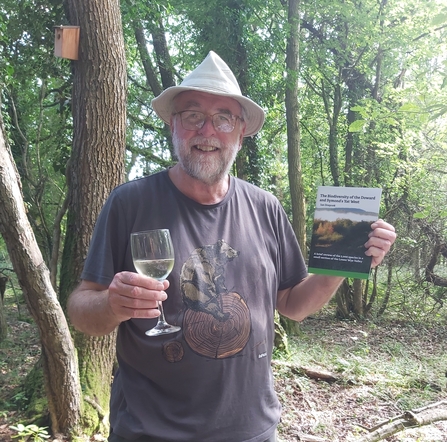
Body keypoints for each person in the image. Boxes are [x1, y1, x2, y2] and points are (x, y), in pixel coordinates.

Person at [67, 51, 396, 442]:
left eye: (224, 118)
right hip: (150, 432)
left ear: (240, 132)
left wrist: (345, 260)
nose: (208, 131)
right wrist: (111, 304)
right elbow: (81, 310)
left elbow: (294, 305)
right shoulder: (129, 203)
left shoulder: (265, 207)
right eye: (192, 116)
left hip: (252, 431)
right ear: (174, 125)